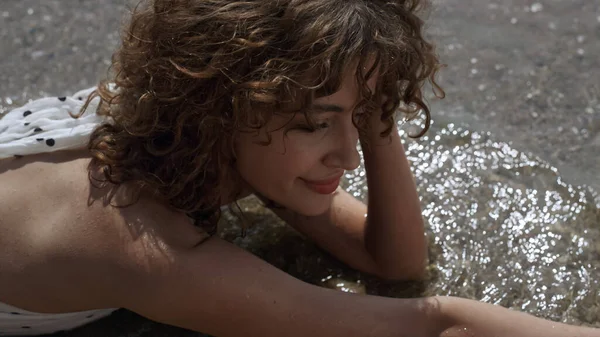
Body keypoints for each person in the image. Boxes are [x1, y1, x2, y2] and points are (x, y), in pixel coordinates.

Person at [0, 0, 598, 336]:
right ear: (224, 103)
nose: (349, 155)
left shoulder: (190, 130)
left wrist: (370, 103)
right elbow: (431, 321)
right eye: (317, 122)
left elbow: (394, 261)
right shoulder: (143, 245)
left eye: (358, 121)